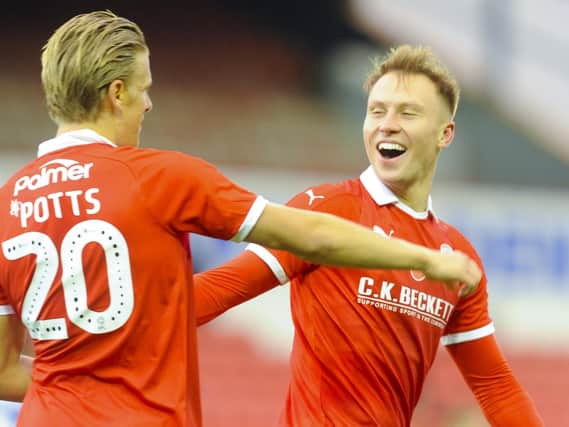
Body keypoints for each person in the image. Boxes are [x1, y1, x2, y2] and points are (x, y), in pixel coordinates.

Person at [0, 12, 482, 427]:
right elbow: (312, 234)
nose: (148, 104)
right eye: (145, 89)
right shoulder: (160, 177)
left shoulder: (6, 205)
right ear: (117, 93)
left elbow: (3, 373)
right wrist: (425, 258)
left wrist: (64, 387)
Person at [194, 45, 544, 426]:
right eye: (377, 110)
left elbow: (495, 386)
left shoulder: (456, 255)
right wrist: (127, 315)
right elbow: (215, 292)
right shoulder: (324, 209)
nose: (387, 123)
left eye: (407, 112)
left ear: (445, 133)